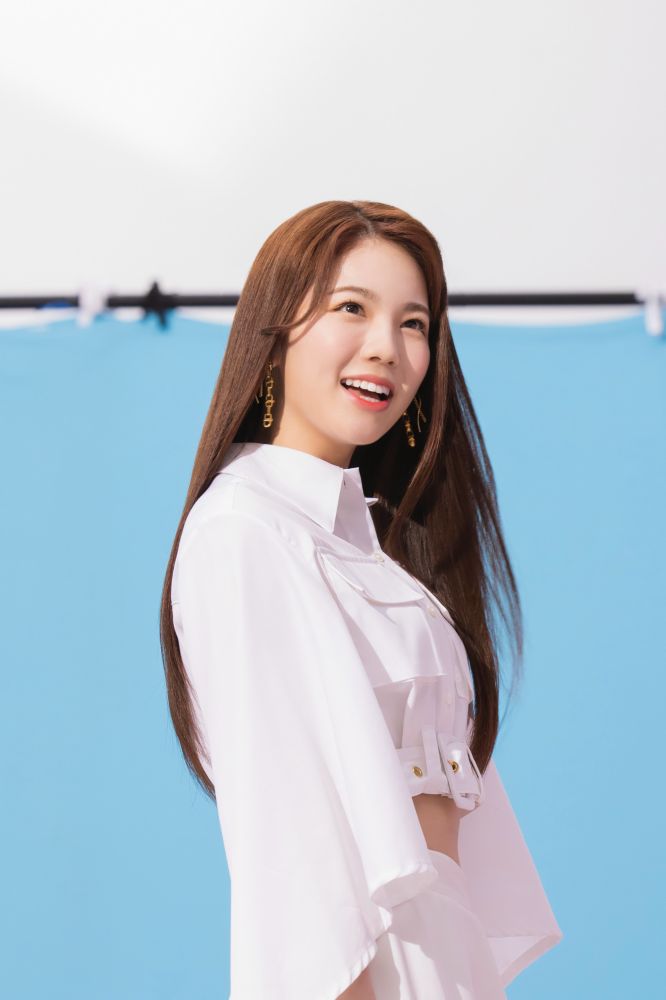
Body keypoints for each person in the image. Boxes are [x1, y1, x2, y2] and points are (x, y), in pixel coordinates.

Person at [160, 200, 563, 999]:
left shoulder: (377, 552)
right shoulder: (244, 531)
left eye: (414, 324)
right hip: (366, 971)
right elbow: (289, 842)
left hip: (441, 957)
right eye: (352, 308)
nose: (387, 347)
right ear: (278, 327)